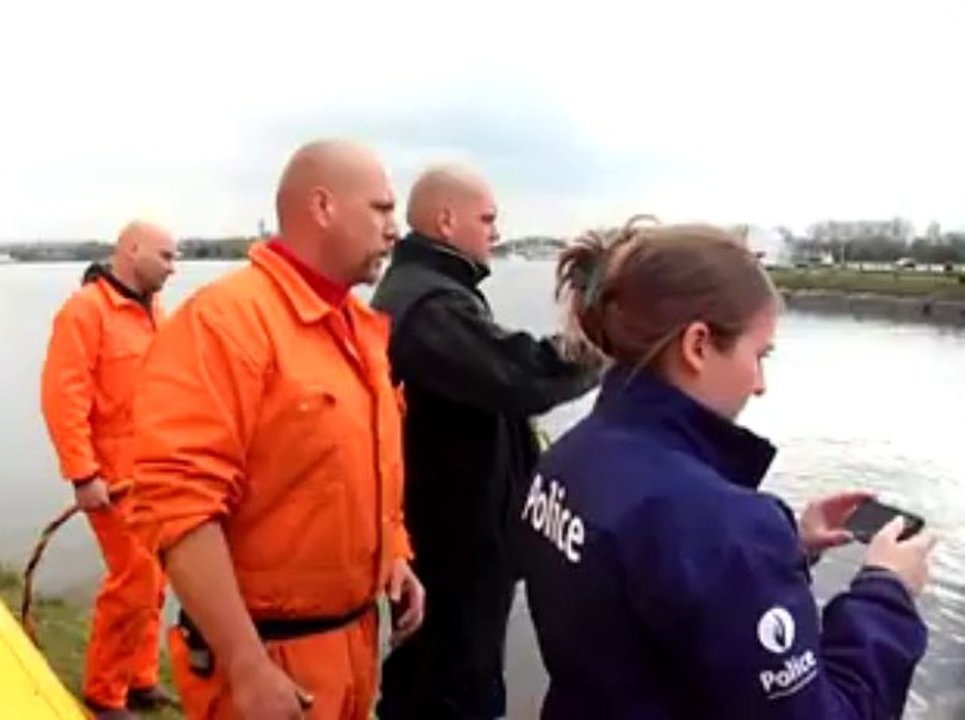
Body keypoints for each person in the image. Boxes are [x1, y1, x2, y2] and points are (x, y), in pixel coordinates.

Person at [515, 216, 937, 719]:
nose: (760, 383)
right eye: (759, 354)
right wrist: (887, 592)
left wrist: (789, 547)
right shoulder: (721, 526)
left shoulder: (567, 460)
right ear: (697, 345)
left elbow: (644, 598)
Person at [128, 139, 426, 720]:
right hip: (269, 660)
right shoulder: (227, 323)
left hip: (353, 648)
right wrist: (245, 663)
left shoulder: (356, 328)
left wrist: (394, 553)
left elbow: (353, 465)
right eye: (382, 209)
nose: (395, 230)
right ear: (323, 207)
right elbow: (179, 506)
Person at [369, 164, 599, 719]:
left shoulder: (435, 292)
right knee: (453, 687)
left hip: (455, 534)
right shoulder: (430, 306)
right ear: (446, 221)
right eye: (487, 218)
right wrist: (601, 344)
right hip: (451, 539)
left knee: (435, 675)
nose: (496, 231)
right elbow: (518, 375)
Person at [39, 220, 177, 719]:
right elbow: (63, 397)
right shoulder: (85, 312)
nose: (173, 267)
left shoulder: (154, 312)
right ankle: (103, 694)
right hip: (110, 478)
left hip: (153, 474)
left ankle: (140, 678)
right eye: (165, 256)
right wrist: (82, 474)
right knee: (134, 580)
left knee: (156, 580)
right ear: (132, 250)